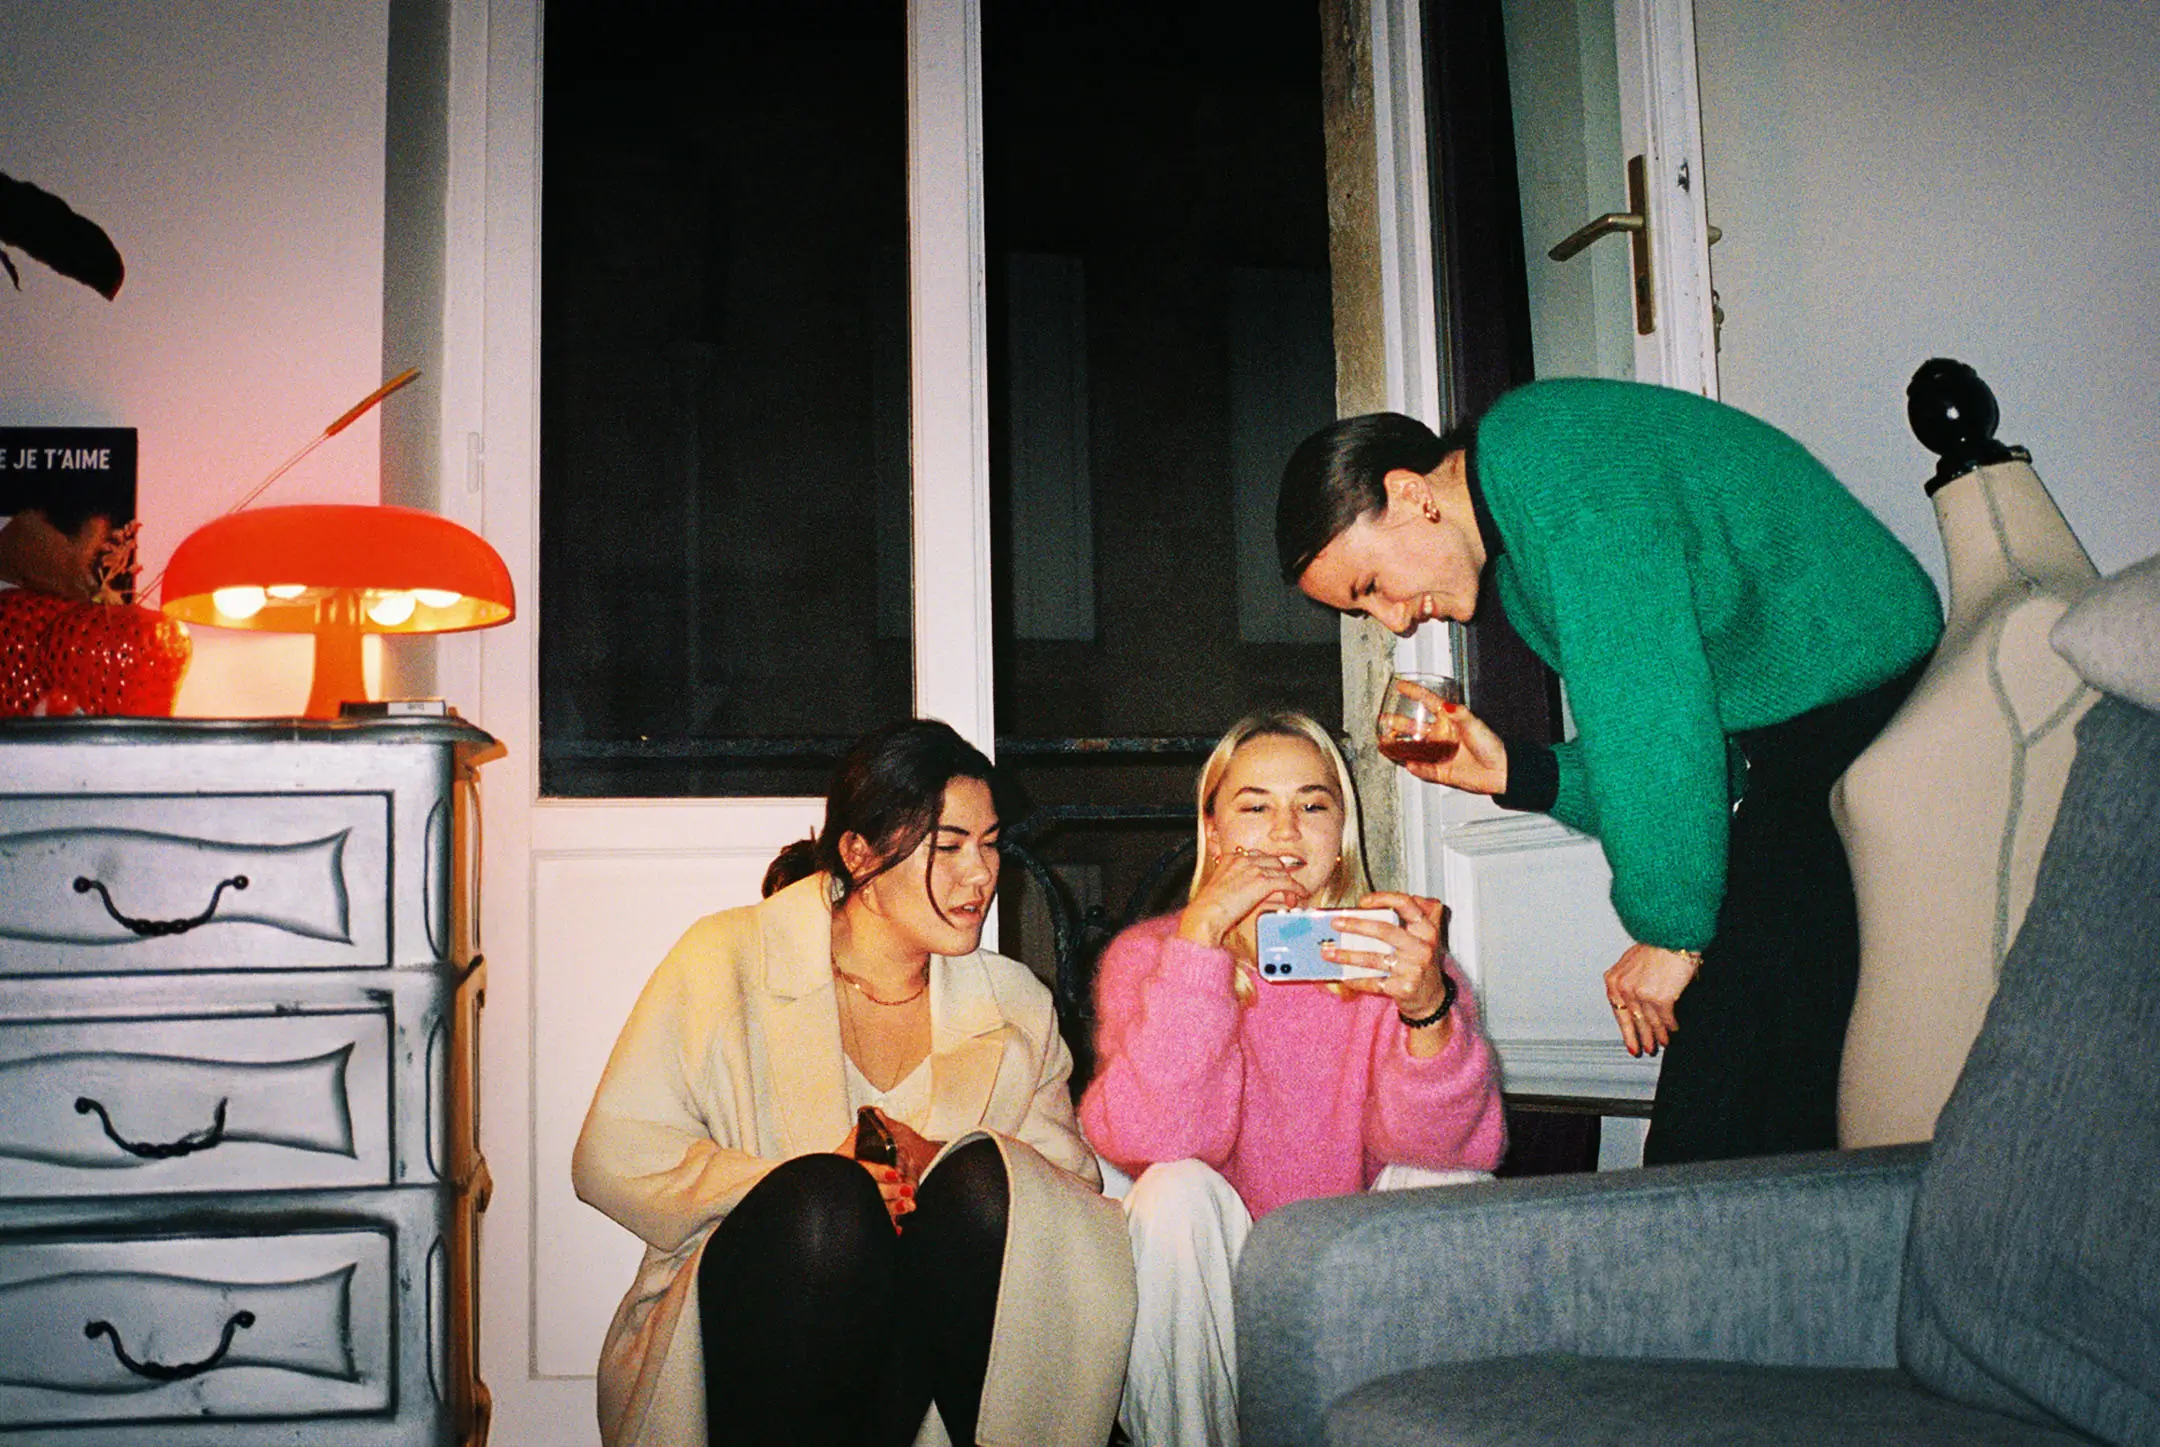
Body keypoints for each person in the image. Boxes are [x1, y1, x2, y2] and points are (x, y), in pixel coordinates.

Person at [1276, 379, 1944, 1165]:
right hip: (1798, 735)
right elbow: (1697, 751)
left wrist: (1672, 934)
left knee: (1729, 1082)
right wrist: (1516, 773)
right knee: (1740, 1078)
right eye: (1365, 612)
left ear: (1409, 492)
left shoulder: (1551, 461)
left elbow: (1651, 711)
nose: (1393, 618)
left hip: (1866, 698)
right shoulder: (1521, 558)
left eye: (1369, 587)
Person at [573, 719, 1136, 1447]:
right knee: (828, 1209)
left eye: (991, 842)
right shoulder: (727, 957)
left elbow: (1070, 1196)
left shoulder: (1014, 1003)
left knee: (980, 1177)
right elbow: (613, 1156)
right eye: (949, 845)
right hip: (758, 1344)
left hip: (929, 1372)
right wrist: (805, 1179)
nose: (981, 874)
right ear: (860, 852)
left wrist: (936, 1158)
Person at [1078, 710, 1504, 1447]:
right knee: (1173, 1189)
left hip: (1351, 1278)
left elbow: (1450, 1153)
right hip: (1209, 1288)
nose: (1284, 832)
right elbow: (1158, 1143)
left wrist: (1426, 1006)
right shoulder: (1149, 955)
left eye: (1312, 804)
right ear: (1212, 831)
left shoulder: (1391, 951)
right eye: (1255, 806)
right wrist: (1200, 948)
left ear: (1341, 829)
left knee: (1451, 1195)